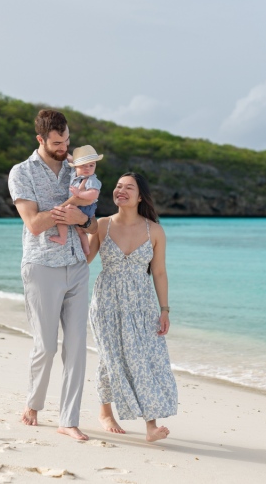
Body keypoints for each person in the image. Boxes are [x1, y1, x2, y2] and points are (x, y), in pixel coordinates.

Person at [7, 109, 98, 441]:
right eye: (58, 142)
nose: (65, 147)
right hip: (41, 264)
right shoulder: (22, 172)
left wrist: (79, 219)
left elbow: (91, 221)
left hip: (77, 265)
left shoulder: (81, 168)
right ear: (41, 139)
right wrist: (64, 213)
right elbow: (32, 224)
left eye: (68, 140)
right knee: (45, 346)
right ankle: (33, 403)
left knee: (76, 347)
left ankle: (68, 419)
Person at [87, 172, 178, 442]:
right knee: (109, 357)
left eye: (129, 187)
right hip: (105, 303)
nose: (121, 190)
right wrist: (80, 227)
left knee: (144, 359)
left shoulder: (155, 230)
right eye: (118, 186)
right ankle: (105, 413)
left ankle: (151, 425)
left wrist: (165, 310)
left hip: (142, 305)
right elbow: (84, 260)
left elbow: (159, 273)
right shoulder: (102, 225)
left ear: (140, 196)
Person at [49, 145, 103, 256]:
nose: (87, 168)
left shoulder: (91, 179)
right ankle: (87, 250)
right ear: (76, 167)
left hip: (85, 207)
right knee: (80, 230)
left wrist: (80, 193)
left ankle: (62, 238)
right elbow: (70, 159)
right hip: (80, 205)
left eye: (91, 165)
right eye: (83, 166)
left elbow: (94, 193)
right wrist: (63, 153)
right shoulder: (76, 174)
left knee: (62, 215)